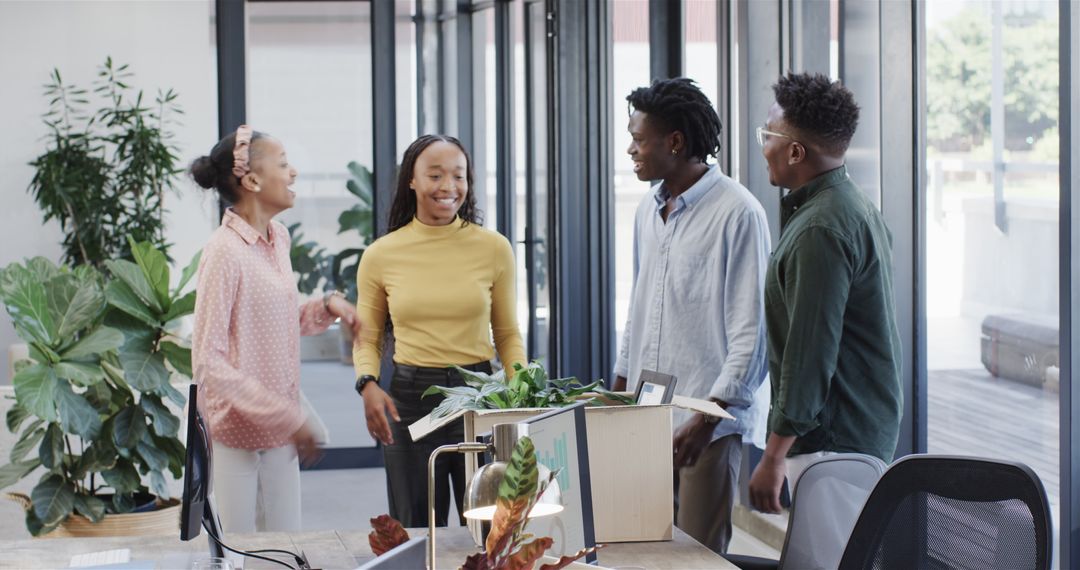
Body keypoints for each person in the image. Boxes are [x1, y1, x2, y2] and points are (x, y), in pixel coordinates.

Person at [613, 78, 771, 554]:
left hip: (704, 426)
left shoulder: (739, 213)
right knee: (642, 549)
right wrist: (619, 389)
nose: (631, 149)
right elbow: (639, 305)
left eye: (638, 139)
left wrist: (706, 421)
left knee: (698, 557)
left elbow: (753, 333)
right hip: (645, 415)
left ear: (675, 142)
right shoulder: (648, 208)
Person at [190, 125, 360, 533]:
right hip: (238, 434)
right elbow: (208, 363)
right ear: (251, 180)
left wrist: (326, 305)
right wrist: (286, 416)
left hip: (281, 428)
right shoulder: (223, 252)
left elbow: (278, 318)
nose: (294, 173)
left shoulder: (277, 238)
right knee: (240, 554)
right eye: (283, 164)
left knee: (285, 547)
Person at [748, 73, 903, 514]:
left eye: (767, 135)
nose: (764, 147)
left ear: (795, 151)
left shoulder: (820, 228)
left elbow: (809, 353)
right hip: (852, 435)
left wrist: (774, 455)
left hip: (831, 444)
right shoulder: (851, 206)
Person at [353, 134, 527, 527]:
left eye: (458, 176)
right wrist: (367, 383)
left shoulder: (494, 248)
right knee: (415, 530)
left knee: (486, 530)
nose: (448, 187)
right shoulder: (382, 254)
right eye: (435, 175)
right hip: (410, 402)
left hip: (479, 398)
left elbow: (508, 334)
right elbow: (368, 336)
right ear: (411, 180)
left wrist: (519, 392)